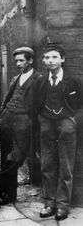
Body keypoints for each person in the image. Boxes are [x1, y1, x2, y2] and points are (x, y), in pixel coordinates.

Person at [34, 44, 83, 221]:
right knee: (47, 163)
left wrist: (73, 121)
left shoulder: (73, 81)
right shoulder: (40, 81)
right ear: (43, 61)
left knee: (66, 165)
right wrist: (41, 119)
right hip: (46, 123)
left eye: (54, 57)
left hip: (66, 125)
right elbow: (36, 103)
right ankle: (49, 203)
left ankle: (63, 205)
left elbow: (81, 104)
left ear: (62, 59)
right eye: (47, 58)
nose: (50, 61)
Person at [0, 46, 42, 204]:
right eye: (16, 61)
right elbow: (8, 97)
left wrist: (32, 121)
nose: (18, 63)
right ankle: (9, 194)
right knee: (5, 155)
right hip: (7, 119)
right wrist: (3, 114)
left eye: (21, 60)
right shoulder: (15, 78)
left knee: (18, 157)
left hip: (24, 121)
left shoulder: (39, 79)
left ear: (30, 61)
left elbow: (40, 104)